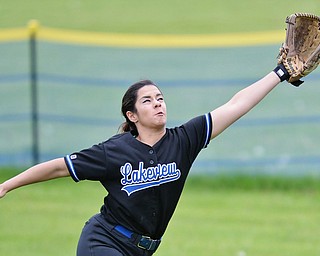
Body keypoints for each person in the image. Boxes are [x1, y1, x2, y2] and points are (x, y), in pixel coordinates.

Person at [0, 64, 308, 255]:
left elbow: (236, 105)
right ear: (132, 116)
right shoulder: (114, 151)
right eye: (147, 100)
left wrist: (279, 73)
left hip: (144, 249)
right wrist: (6, 185)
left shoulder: (184, 140)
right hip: (104, 242)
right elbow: (58, 166)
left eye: (160, 97)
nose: (157, 103)